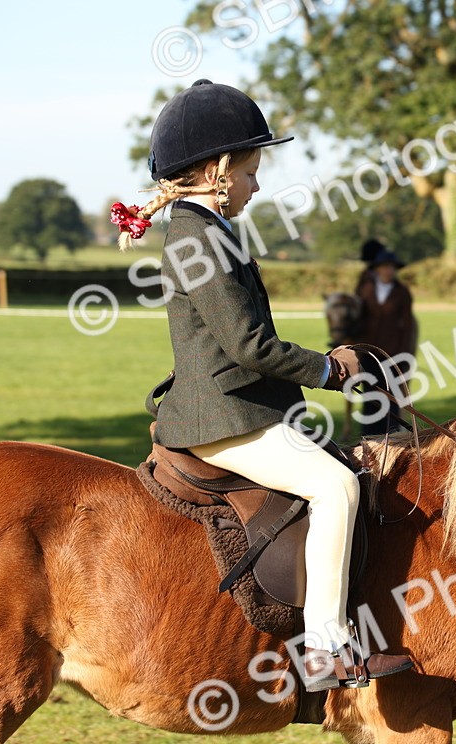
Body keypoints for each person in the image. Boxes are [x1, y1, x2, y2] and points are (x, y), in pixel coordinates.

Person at [110, 79, 412, 691]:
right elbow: (248, 345)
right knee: (336, 488)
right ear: (220, 170)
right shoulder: (197, 238)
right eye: (251, 170)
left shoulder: (207, 231)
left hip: (238, 409)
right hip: (224, 417)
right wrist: (331, 370)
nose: (257, 183)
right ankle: (328, 650)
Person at [355, 247, 417, 435]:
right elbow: (358, 318)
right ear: (378, 269)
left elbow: (407, 325)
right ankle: (370, 434)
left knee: (392, 395)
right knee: (371, 393)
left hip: (393, 352)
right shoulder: (365, 289)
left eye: (392, 267)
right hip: (369, 352)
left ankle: (391, 434)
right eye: (385, 267)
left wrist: (405, 353)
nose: (389, 271)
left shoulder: (402, 292)